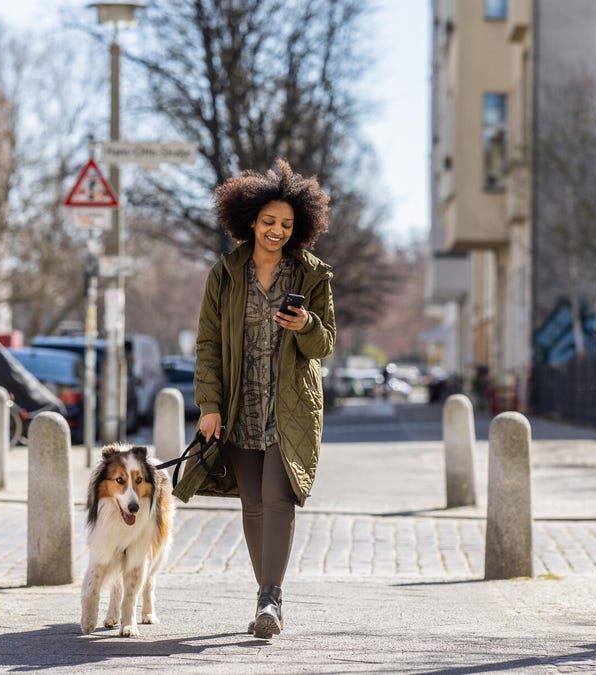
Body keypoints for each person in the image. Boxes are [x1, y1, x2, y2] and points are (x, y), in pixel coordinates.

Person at [171, 159, 336, 640]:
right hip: (240, 405)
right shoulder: (224, 274)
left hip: (289, 407)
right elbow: (207, 345)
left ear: (299, 227)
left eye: (286, 225)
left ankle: (270, 597)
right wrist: (208, 405)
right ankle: (266, 590)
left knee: (277, 495)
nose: (277, 232)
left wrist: (305, 326)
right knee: (252, 503)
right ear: (250, 221)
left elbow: (324, 345)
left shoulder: (311, 275)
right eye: (269, 222)